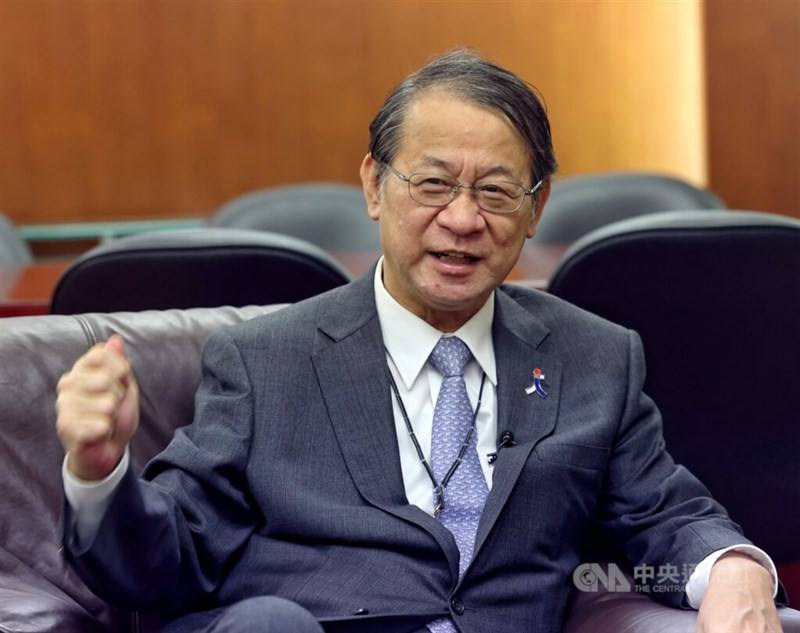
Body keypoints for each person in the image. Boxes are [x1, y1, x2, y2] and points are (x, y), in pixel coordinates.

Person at [56, 49, 782, 633]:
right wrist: (98, 470)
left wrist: (735, 568)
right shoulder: (264, 361)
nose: (463, 220)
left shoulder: (593, 357)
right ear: (374, 186)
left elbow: (668, 513)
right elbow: (165, 562)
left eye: (496, 191)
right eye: (433, 184)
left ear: (537, 211)